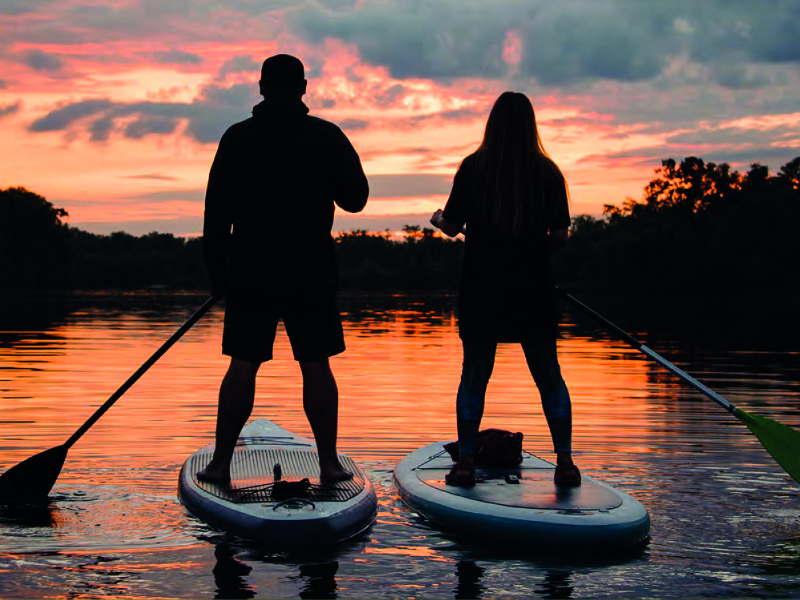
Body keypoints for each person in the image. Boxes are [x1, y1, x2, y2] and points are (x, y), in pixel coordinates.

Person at [199, 54, 369, 485]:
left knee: (243, 362)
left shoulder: (237, 138)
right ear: (305, 88)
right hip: (310, 270)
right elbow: (356, 199)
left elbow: (215, 213)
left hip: (250, 270)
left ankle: (220, 465)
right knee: (316, 364)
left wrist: (218, 273)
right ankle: (328, 464)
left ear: (260, 88)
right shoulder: (326, 136)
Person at [429, 91, 579, 487]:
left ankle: (464, 463)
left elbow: (451, 224)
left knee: (475, 374)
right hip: (533, 291)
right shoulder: (548, 172)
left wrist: (439, 219)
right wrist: (535, 260)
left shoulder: (473, 168)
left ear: (492, 124)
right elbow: (561, 236)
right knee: (549, 375)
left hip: (483, 291)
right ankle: (565, 464)